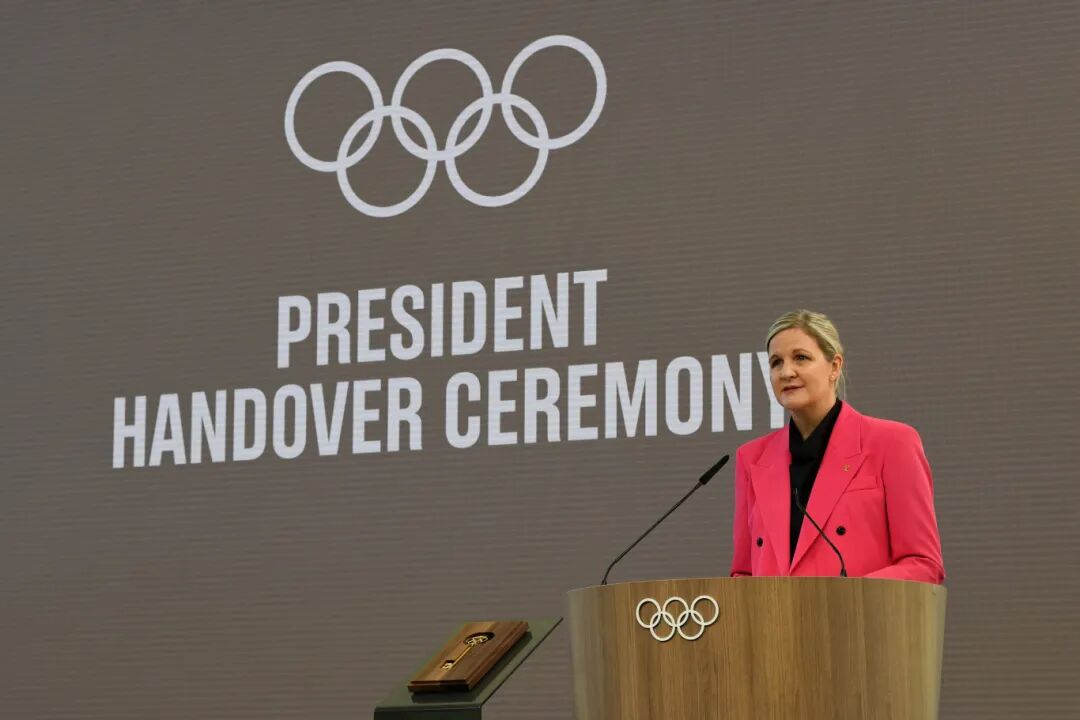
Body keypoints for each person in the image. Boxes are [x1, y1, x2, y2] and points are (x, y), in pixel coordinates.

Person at [730, 310, 944, 583]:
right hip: (773, 613)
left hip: (858, 611)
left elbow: (922, 564)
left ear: (834, 367)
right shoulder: (751, 458)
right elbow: (743, 574)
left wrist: (848, 597)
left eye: (801, 358)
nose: (786, 372)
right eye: (776, 362)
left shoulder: (892, 443)